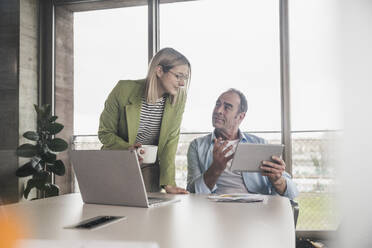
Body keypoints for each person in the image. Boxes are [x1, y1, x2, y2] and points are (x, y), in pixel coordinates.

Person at [98, 47, 191, 194]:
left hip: (149, 166)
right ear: (159, 71)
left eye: (185, 78)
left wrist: (169, 183)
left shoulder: (179, 99)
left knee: (149, 211)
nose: (182, 83)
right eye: (178, 76)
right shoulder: (123, 90)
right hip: (118, 161)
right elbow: (105, 133)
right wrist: (128, 148)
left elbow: (170, 142)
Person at [187, 89, 298, 199]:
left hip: (255, 207)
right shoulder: (197, 146)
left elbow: (292, 193)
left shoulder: (259, 144)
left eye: (227, 107)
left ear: (240, 116)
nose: (218, 110)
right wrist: (215, 169)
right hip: (214, 207)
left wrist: (278, 180)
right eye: (217, 104)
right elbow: (192, 192)